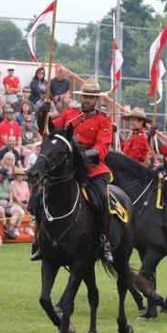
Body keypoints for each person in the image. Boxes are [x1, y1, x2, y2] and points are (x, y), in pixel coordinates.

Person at [33, 79, 114, 262]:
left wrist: (84, 155)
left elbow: (102, 148)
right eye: (85, 96)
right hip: (67, 168)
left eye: (91, 97)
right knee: (39, 197)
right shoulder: (70, 114)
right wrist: (42, 112)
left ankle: (104, 241)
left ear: (96, 100)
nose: (87, 100)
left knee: (101, 198)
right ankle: (40, 240)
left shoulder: (104, 120)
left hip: (91, 169)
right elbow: (48, 131)